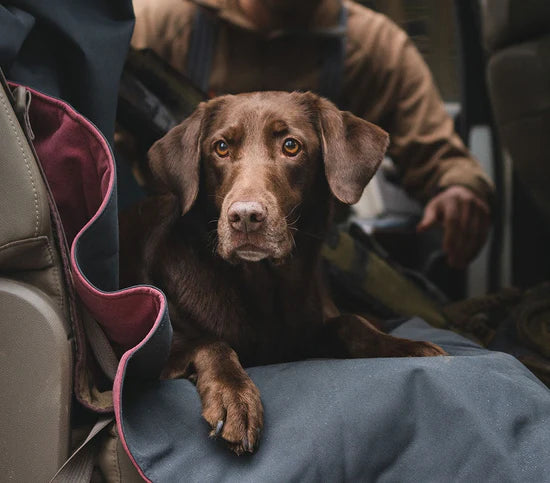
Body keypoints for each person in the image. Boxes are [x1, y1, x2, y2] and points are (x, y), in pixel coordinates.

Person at [131, 0, 494, 270]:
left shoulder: (375, 46)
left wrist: (457, 188)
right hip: (181, 262)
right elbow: (101, 144)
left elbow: (439, 156)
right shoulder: (160, 26)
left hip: (315, 268)